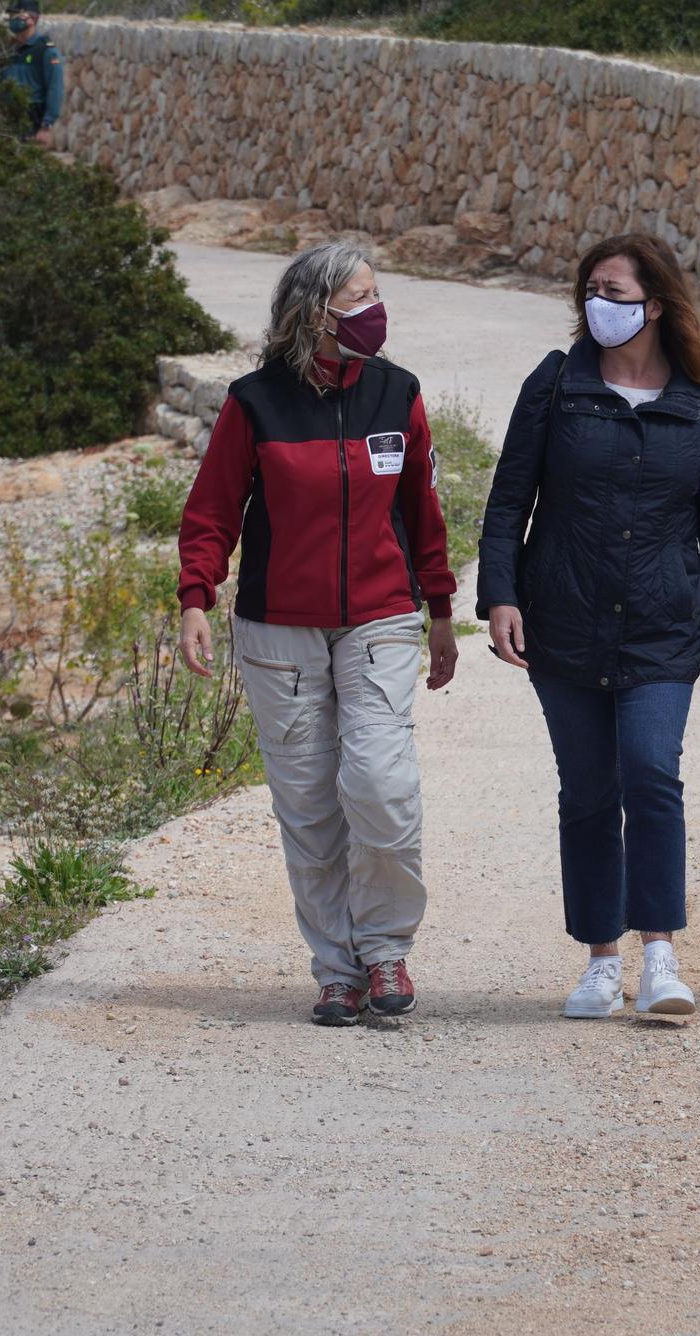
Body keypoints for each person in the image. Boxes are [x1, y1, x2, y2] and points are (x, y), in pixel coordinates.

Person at [176, 241, 460, 1027]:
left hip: (380, 619)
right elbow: (212, 511)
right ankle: (337, 969)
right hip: (278, 632)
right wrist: (195, 598)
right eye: (359, 299)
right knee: (308, 805)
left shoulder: (396, 395)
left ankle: (386, 947)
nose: (375, 312)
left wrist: (440, 612)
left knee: (380, 785)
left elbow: (421, 515)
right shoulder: (255, 403)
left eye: (376, 295)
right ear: (314, 314)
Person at [477, 233, 700, 1021]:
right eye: (590, 288)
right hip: (564, 618)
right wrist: (501, 595)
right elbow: (508, 501)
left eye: (616, 291)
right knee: (590, 789)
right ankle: (601, 960)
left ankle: (660, 953)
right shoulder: (557, 384)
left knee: (650, 771)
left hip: (664, 622)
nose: (598, 302)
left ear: (656, 304)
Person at [0, 2, 64, 147]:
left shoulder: (45, 50)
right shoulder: (6, 49)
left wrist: (46, 126)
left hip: (31, 117)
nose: (11, 20)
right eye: (10, 16)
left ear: (30, 18)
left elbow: (55, 87)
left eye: (15, 16)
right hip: (5, 116)